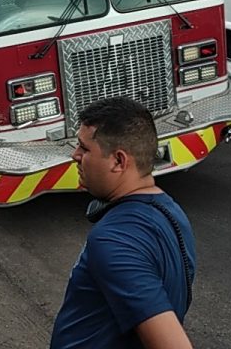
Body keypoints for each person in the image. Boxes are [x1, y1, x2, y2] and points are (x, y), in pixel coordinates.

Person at [50, 97, 196, 349]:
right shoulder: (172, 214)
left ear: (119, 161)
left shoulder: (114, 240)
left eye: (84, 149)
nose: (75, 155)